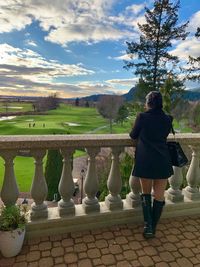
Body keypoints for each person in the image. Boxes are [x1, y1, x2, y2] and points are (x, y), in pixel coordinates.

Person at [129, 91, 173, 239]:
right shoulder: (168, 119)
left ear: (148, 103)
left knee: (146, 193)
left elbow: (133, 135)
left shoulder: (142, 117)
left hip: (145, 160)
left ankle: (148, 226)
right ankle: (152, 226)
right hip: (162, 160)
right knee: (159, 195)